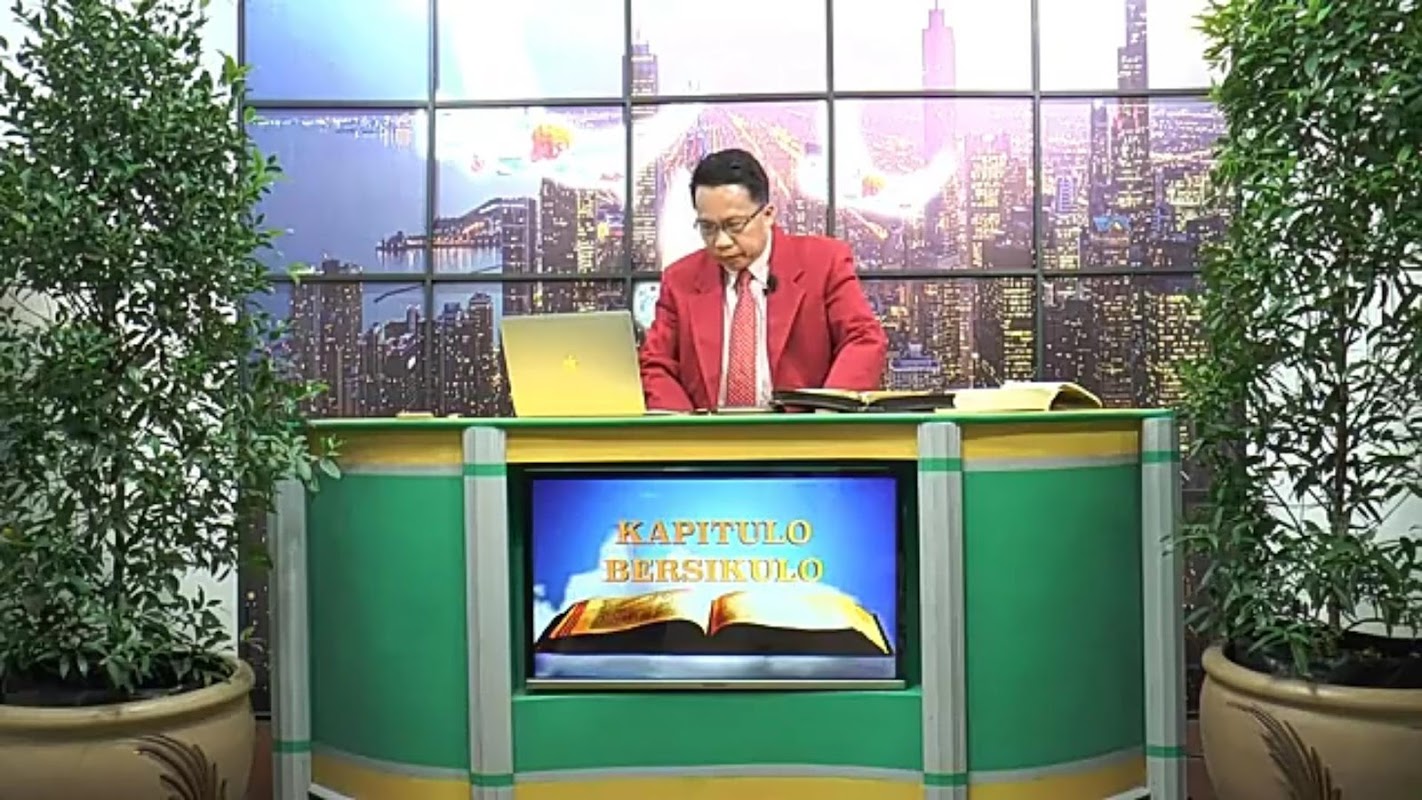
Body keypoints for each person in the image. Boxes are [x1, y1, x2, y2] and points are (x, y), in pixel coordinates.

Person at [639, 148, 888, 411]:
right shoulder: (680, 279)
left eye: (734, 225)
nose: (721, 242)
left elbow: (863, 339)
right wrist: (685, 428)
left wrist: (826, 416)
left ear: (767, 214)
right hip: (707, 434)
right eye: (708, 228)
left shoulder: (824, 263)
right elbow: (656, 364)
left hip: (805, 430)